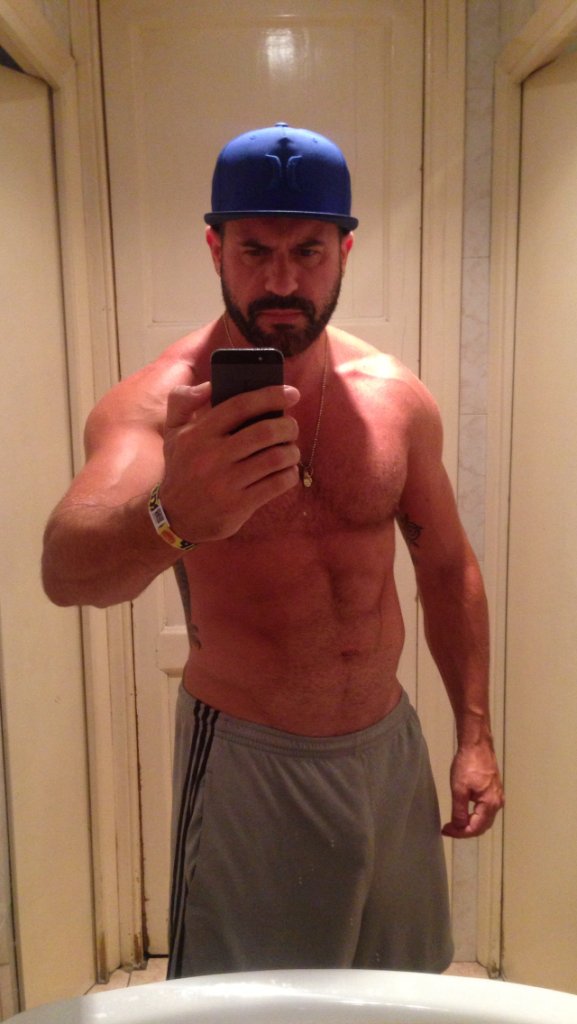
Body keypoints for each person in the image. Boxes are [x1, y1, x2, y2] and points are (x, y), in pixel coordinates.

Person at [42, 123, 504, 978]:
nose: (282, 281)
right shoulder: (159, 406)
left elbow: (446, 569)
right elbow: (66, 571)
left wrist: (472, 734)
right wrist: (173, 515)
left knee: (397, 989)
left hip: (387, 745)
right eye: (254, 250)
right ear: (215, 247)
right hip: (249, 759)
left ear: (344, 251)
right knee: (248, 1004)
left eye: (308, 251)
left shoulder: (396, 399)